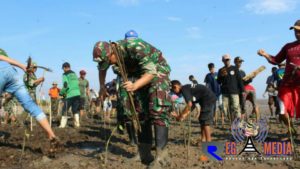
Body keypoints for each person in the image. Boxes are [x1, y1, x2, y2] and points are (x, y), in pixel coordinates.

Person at [93, 37, 172, 168]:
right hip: (139, 75)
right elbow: (102, 69)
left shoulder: (134, 47)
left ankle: (162, 156)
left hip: (157, 73)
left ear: (113, 52)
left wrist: (135, 85)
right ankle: (144, 153)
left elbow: (151, 72)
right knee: (140, 113)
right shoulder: (108, 55)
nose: (111, 65)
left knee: (158, 110)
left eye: (110, 61)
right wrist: (102, 87)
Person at [0, 48, 57, 141]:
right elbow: (4, 59)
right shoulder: (2, 51)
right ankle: (52, 136)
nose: (34, 69)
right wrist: (21, 65)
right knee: (31, 105)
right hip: (12, 72)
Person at [257, 19, 300, 139]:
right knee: (281, 111)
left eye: (299, 31)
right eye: (295, 31)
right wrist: (265, 54)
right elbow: (276, 60)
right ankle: (291, 130)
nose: (297, 33)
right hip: (286, 84)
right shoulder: (288, 47)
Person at [217, 54, 244, 123]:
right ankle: (232, 121)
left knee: (236, 108)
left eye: (228, 60)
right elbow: (218, 81)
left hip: (234, 92)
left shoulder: (235, 68)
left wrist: (242, 90)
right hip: (225, 92)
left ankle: (239, 123)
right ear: (222, 61)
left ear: (230, 60)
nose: (227, 61)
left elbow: (239, 80)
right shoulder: (220, 70)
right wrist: (222, 76)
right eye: (225, 60)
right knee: (225, 109)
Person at [59, 62, 81, 128]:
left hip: (69, 94)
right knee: (75, 110)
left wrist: (61, 93)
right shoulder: (74, 74)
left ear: (65, 68)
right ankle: (77, 124)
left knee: (64, 109)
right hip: (77, 94)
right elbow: (77, 82)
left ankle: (62, 125)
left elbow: (65, 86)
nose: (63, 70)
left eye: (63, 68)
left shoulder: (65, 74)